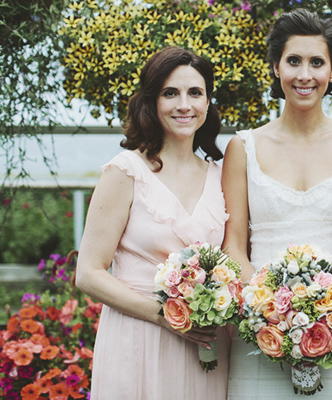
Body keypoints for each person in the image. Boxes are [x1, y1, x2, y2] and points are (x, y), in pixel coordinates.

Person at [222, 8, 332, 399]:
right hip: (259, 333)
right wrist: (268, 313)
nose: (304, 75)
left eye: (317, 62)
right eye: (293, 61)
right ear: (276, 67)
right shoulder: (243, 147)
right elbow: (233, 245)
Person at [75, 46, 230, 400]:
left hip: (206, 344)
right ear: (151, 101)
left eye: (195, 93)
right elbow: (88, 272)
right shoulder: (125, 171)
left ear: (208, 102)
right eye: (170, 93)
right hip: (138, 336)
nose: (184, 105)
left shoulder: (221, 177)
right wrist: (165, 315)